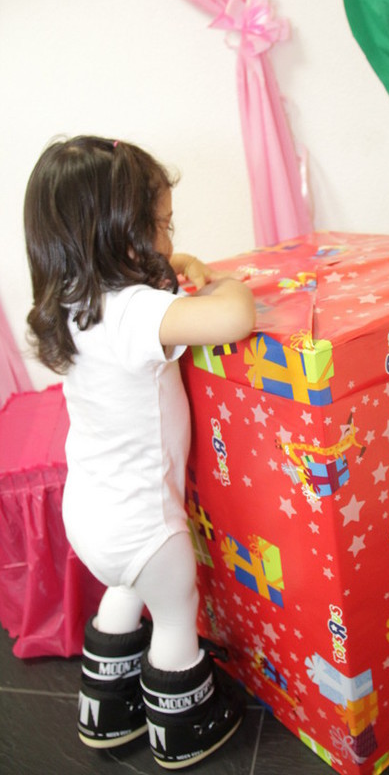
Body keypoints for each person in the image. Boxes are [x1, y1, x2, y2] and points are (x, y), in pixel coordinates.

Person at [24, 135, 255, 769]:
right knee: (175, 615)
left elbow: (151, 277)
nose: (168, 238)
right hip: (148, 528)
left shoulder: (72, 301)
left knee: (124, 588)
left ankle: (104, 709)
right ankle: (183, 728)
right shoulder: (138, 314)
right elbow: (234, 319)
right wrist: (226, 282)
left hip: (89, 516)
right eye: (161, 226)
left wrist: (180, 262)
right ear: (122, 236)